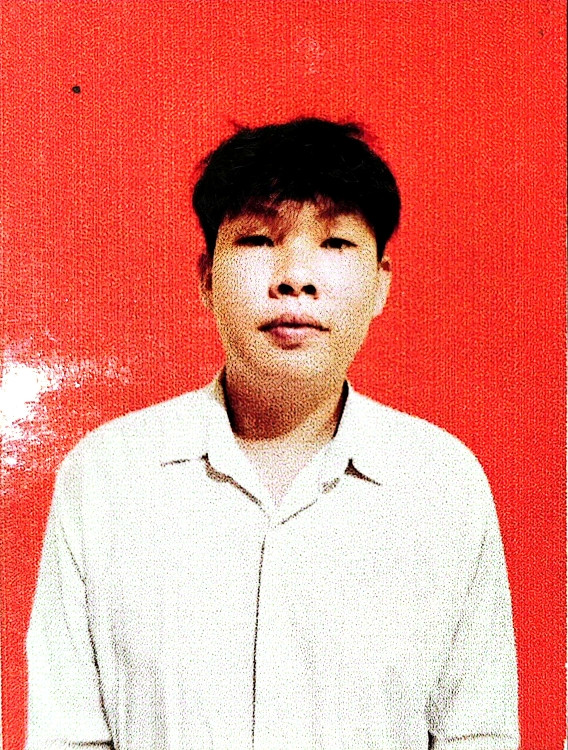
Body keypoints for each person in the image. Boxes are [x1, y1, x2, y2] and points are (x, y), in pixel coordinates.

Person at [25, 117, 519, 749]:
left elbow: (476, 734)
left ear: (381, 284)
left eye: (335, 242)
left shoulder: (441, 483)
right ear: (206, 278)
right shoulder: (106, 477)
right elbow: (66, 736)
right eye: (259, 239)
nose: (295, 278)